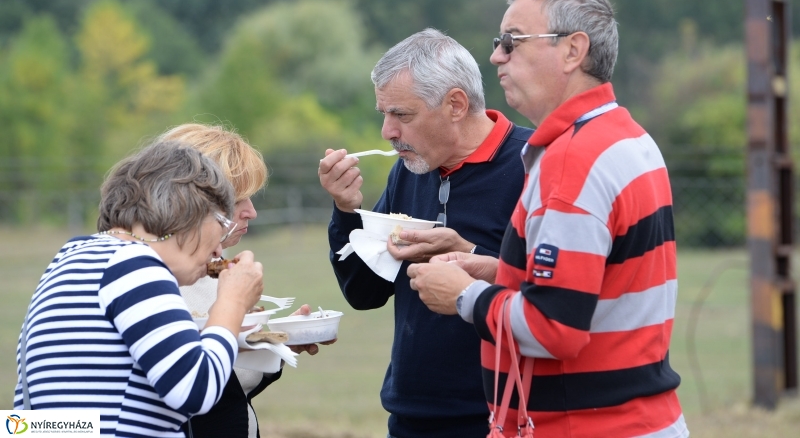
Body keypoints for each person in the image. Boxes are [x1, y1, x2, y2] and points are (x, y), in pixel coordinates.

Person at [407, 0, 688, 437]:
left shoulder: (572, 159)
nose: (497, 55)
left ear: (573, 51)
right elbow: (594, 288)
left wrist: (461, 294)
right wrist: (501, 272)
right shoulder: (626, 135)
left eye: (512, 41)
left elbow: (554, 327)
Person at [318, 28, 532, 438]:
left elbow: (555, 294)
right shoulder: (410, 169)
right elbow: (365, 293)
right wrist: (346, 212)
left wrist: (469, 252)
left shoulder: (533, 165)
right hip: (411, 417)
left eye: (402, 115)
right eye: (385, 114)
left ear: (455, 104)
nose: (387, 131)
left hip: (503, 418)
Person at [14, 140, 264, 437]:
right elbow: (195, 391)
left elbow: (38, 422)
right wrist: (232, 302)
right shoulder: (137, 265)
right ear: (187, 208)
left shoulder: (73, 254)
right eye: (222, 220)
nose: (219, 247)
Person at [160, 123, 331, 438]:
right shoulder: (158, 281)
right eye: (236, 200)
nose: (251, 212)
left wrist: (278, 342)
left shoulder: (213, 269)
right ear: (191, 200)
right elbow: (194, 388)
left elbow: (228, 384)